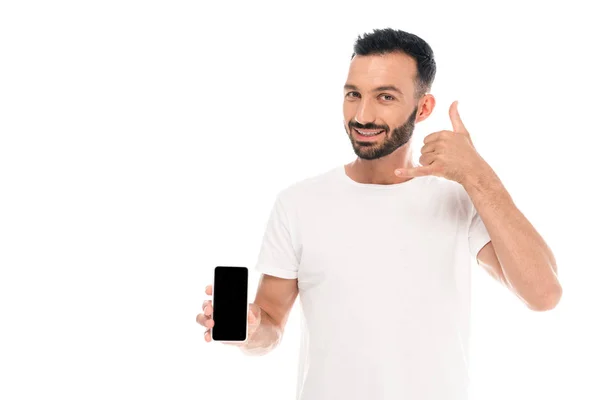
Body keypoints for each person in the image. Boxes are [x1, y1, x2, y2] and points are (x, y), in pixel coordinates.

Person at [196, 28, 562, 400]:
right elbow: (270, 325)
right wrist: (250, 328)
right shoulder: (299, 203)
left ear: (423, 109)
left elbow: (543, 293)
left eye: (385, 97)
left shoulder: (458, 198)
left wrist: (478, 175)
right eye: (353, 95)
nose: (362, 115)